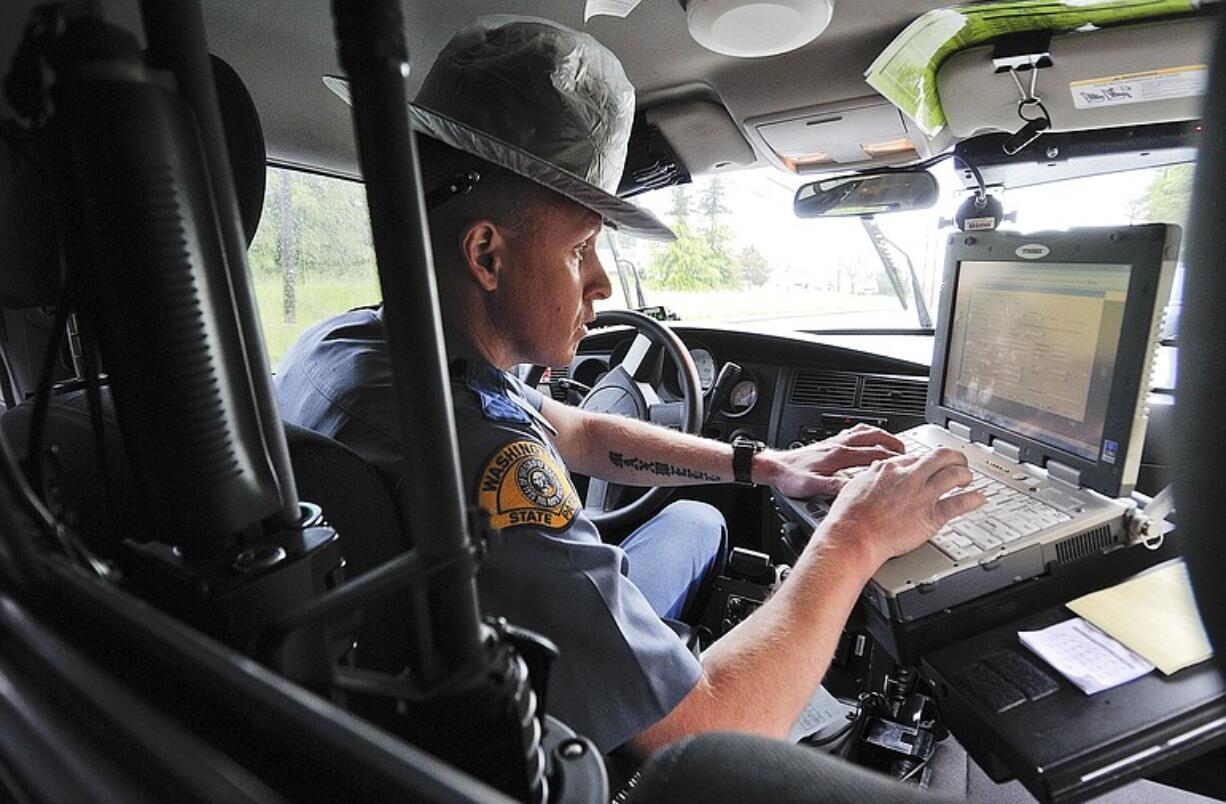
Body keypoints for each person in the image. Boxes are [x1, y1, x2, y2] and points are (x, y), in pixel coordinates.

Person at [275, 16, 983, 757]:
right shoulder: (489, 463)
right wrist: (854, 536)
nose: (603, 282)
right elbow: (712, 729)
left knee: (701, 524)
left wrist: (763, 465)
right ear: (486, 254)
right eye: (581, 247)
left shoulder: (357, 344)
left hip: (423, 668)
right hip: (553, 741)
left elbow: (575, 430)